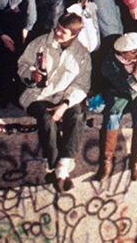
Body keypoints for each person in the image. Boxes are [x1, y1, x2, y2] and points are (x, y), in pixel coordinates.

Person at [18, 12, 91, 193]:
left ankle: (62, 165)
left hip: (64, 96)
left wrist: (65, 104)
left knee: (78, 115)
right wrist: (30, 74)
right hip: (39, 95)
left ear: (74, 35)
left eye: (62, 32)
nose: (56, 33)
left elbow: (82, 85)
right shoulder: (40, 42)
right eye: (57, 28)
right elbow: (22, 65)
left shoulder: (82, 54)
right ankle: (58, 168)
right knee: (46, 118)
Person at [95, 32, 137, 181]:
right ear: (122, 53)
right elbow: (129, 88)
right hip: (120, 91)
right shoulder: (110, 63)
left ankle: (136, 162)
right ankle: (107, 161)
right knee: (112, 116)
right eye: (132, 54)